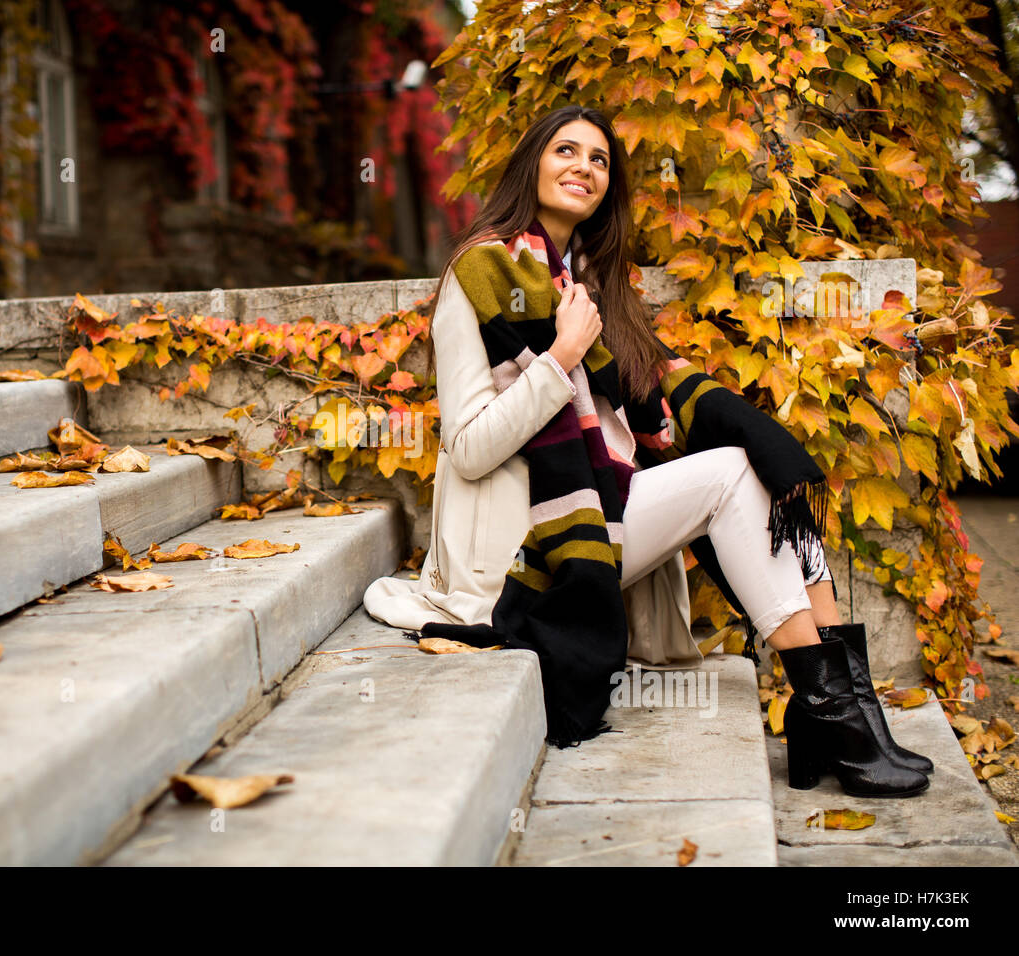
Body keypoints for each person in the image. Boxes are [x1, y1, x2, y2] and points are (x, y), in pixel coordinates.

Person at [363, 105, 931, 799]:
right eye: (565, 151)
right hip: (524, 550)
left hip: (593, 527)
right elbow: (471, 447)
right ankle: (833, 718)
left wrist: (703, 405)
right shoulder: (478, 275)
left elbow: (654, 406)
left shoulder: (590, 288)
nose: (584, 167)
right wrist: (560, 356)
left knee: (762, 466)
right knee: (730, 473)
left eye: (599, 159)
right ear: (532, 165)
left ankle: (842, 717)